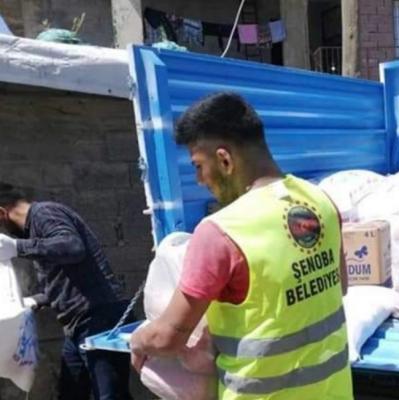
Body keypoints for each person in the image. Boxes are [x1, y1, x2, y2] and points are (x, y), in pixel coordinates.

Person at [130, 92, 353, 400]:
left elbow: (167, 338)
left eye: (198, 165)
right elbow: (340, 286)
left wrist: (137, 342)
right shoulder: (321, 201)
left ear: (225, 160)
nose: (199, 179)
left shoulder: (220, 232)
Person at [0, 184, 133, 400]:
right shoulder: (35, 228)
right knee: (71, 393)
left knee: (110, 396)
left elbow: (72, 247)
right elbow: (62, 279)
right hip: (79, 325)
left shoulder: (45, 213)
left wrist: (18, 247)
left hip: (99, 318)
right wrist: (35, 300)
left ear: (2, 213)